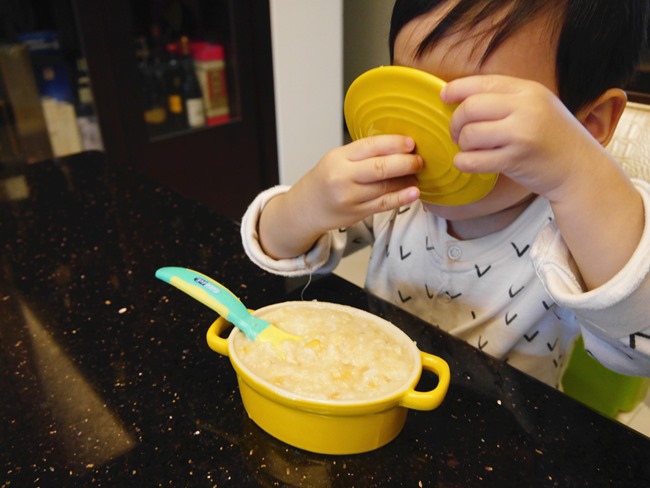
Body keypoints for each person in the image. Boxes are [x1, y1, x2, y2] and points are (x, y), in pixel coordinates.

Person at [241, 0, 650, 386]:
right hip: (373, 394)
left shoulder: (577, 227)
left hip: (507, 439)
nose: (430, 137)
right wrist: (308, 205)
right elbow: (276, 249)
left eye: (477, 110)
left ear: (590, 122)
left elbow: (637, 348)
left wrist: (577, 174)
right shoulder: (398, 186)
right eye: (411, 93)